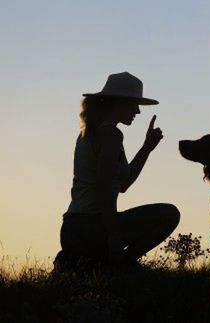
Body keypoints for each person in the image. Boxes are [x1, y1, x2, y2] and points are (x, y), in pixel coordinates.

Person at [54, 72, 180, 272]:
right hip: (92, 226)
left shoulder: (91, 132)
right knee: (169, 214)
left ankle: (93, 263)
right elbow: (104, 187)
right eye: (134, 104)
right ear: (118, 103)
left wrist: (147, 147)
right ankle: (122, 266)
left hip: (73, 228)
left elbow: (123, 185)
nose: (138, 111)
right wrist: (114, 238)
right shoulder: (111, 135)